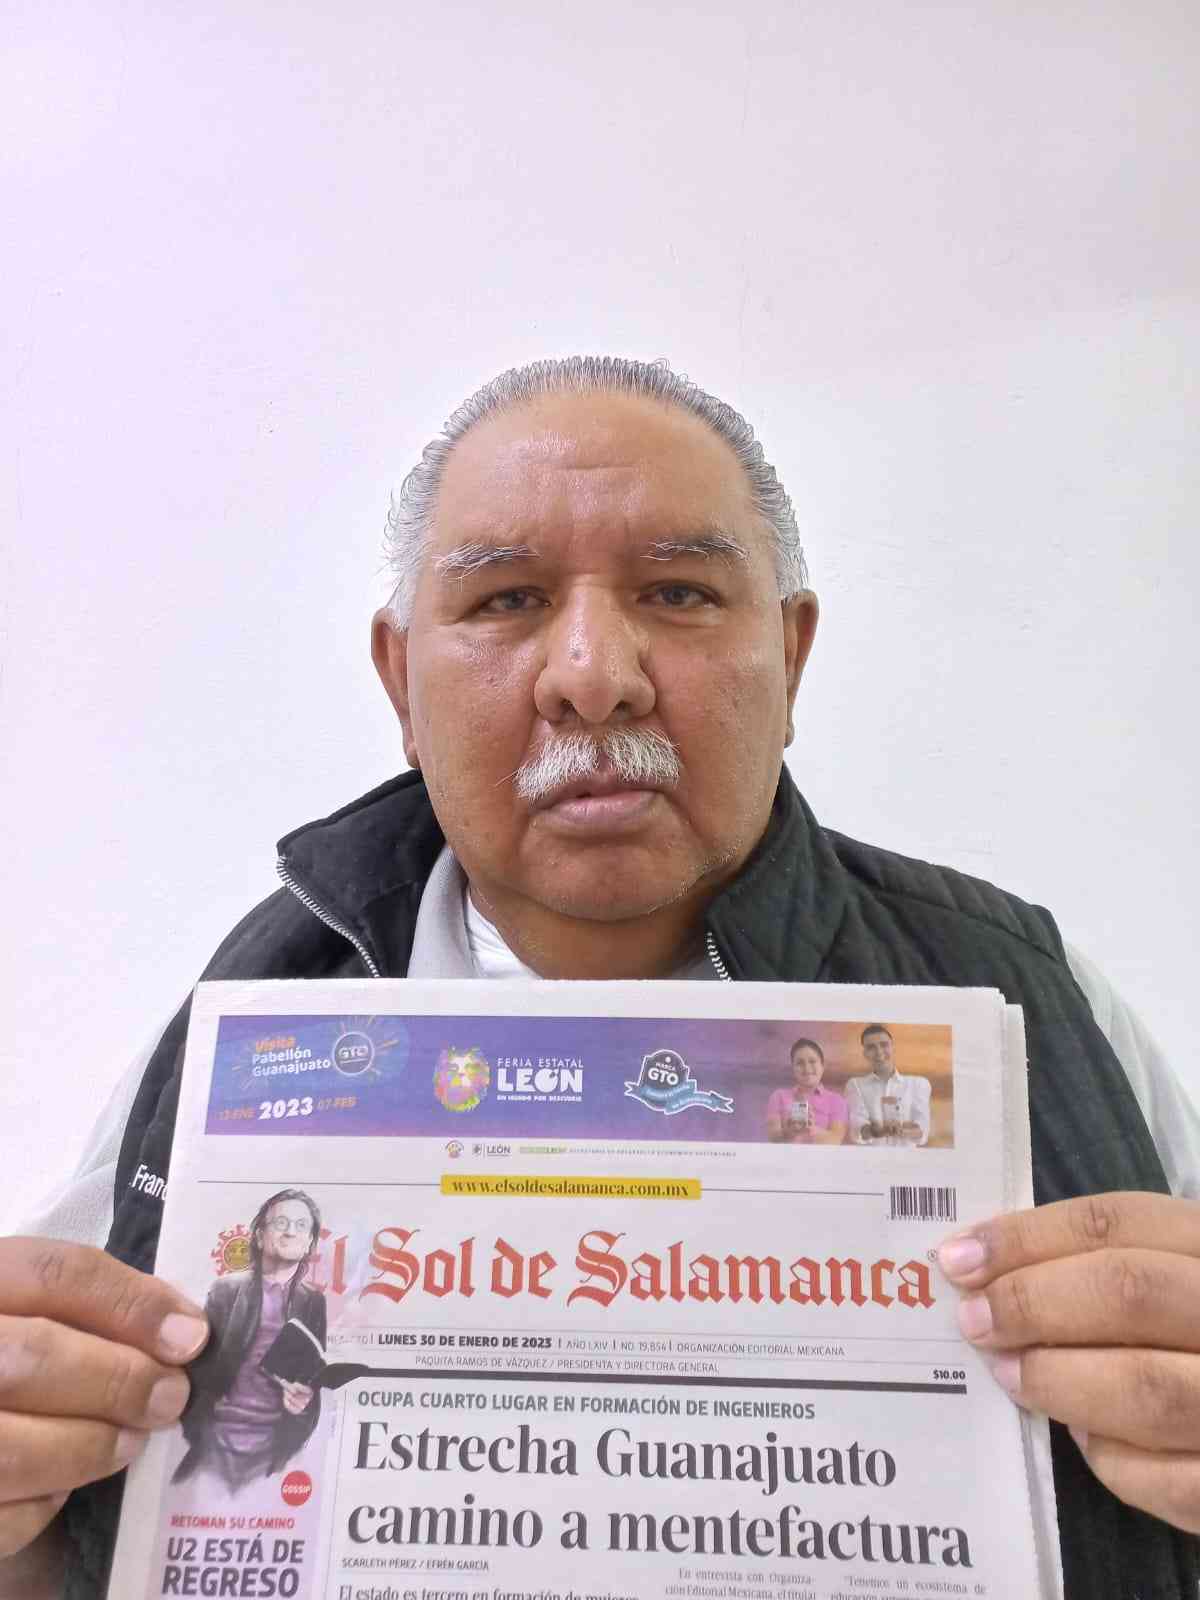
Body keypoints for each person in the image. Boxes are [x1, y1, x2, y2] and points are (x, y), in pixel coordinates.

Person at [3, 355, 1200, 1600]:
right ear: (401, 680)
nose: (593, 674)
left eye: (679, 592)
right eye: (507, 599)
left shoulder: (1025, 1002)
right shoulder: (248, 1025)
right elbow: (63, 1538)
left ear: (790, 656)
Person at [172, 1189, 325, 1493]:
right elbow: (199, 1372)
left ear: (309, 1242)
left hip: (276, 1450)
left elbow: (314, 1377)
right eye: (281, 1223)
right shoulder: (225, 1290)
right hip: (215, 1441)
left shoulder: (312, 1301)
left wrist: (303, 1402)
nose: (290, 1232)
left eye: (301, 1226)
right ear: (259, 1235)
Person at [844, 1024, 932, 1145]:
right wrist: (877, 1131)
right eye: (871, 1047)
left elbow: (922, 1130)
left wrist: (902, 1131)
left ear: (893, 1048)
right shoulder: (855, 1085)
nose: (879, 1052)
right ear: (865, 1053)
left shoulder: (918, 1084)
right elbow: (857, 1130)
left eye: (884, 1045)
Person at [765, 1037, 847, 1144]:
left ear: (822, 1066)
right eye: (799, 1063)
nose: (807, 1068)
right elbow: (773, 1138)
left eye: (812, 1061)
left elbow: (835, 1140)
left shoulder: (837, 1100)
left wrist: (811, 1129)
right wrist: (790, 1131)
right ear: (793, 1068)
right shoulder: (778, 1096)